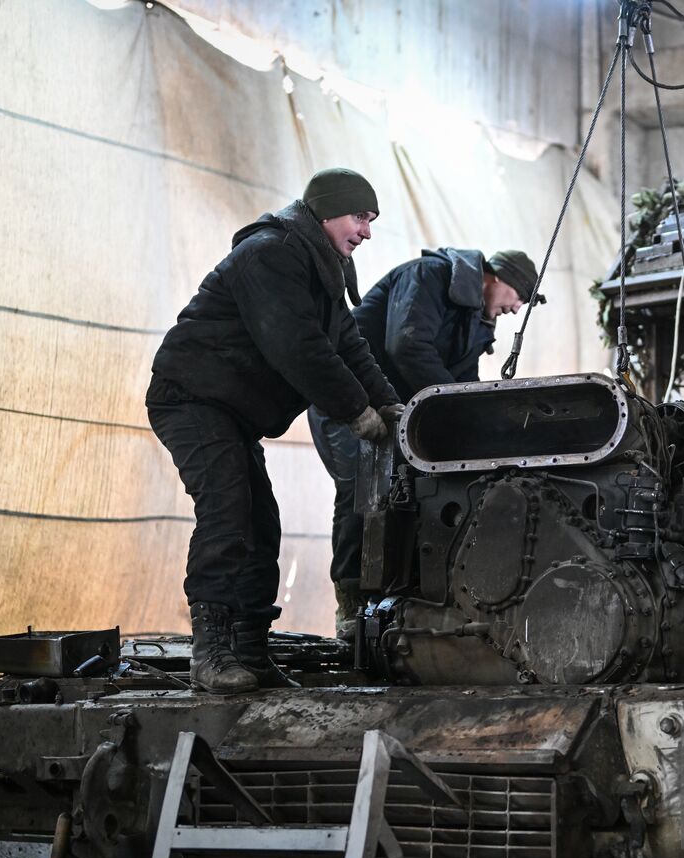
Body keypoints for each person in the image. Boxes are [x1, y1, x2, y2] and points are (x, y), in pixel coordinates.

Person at [147, 168, 403, 693]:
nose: (367, 231)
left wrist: (394, 408)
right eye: (360, 217)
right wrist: (357, 412)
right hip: (191, 398)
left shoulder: (321, 267)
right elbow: (298, 347)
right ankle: (212, 653)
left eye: (371, 221)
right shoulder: (271, 253)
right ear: (328, 211)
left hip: (230, 410)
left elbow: (350, 346)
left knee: (261, 524)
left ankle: (251, 651)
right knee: (228, 511)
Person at [307, 248, 544, 632]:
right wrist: (456, 405)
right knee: (362, 491)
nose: (518, 309)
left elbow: (462, 385)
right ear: (498, 277)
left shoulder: (477, 323)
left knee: (416, 495)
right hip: (348, 400)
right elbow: (407, 345)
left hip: (400, 413)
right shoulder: (430, 276)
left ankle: (402, 602)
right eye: (520, 297)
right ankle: (351, 605)